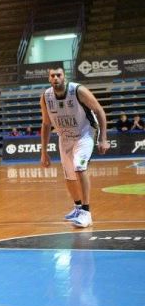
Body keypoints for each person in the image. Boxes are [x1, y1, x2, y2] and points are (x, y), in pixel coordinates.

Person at [40, 66, 110, 228]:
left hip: (85, 133)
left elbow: (99, 111)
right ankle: (78, 207)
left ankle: (86, 212)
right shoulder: (45, 97)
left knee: (79, 166)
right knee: (69, 175)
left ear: (64, 76)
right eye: (52, 75)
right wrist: (44, 152)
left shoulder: (78, 90)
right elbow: (45, 124)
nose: (56, 78)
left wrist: (103, 138)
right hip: (64, 137)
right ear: (49, 78)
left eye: (59, 75)